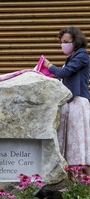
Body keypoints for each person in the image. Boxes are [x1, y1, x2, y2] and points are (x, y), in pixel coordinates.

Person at [43, 26, 90, 175]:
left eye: (65, 41)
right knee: (69, 146)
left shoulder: (82, 56)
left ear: (75, 41)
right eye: (61, 42)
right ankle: (73, 184)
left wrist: (49, 66)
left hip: (78, 103)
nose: (63, 45)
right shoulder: (73, 57)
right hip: (69, 103)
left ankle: (85, 183)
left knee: (78, 144)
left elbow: (65, 72)